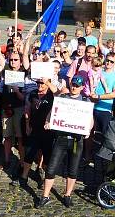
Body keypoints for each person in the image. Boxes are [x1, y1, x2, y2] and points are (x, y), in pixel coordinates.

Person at [37, 75, 92, 208]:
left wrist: (88, 130)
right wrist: (47, 122)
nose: (74, 87)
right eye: (73, 84)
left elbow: (90, 119)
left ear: (82, 87)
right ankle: (45, 196)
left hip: (76, 140)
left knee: (72, 170)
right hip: (61, 138)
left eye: (77, 85)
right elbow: (52, 112)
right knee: (51, 168)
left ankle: (67, 195)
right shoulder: (62, 98)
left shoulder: (85, 100)